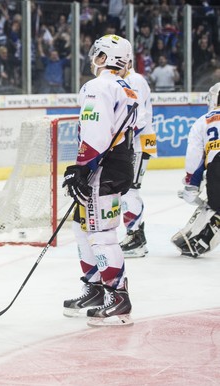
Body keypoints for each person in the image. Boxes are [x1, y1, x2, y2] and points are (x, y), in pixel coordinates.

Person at [61, 34, 138, 326]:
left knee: (100, 233)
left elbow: (95, 130)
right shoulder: (126, 88)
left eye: (97, 53)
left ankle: (117, 296)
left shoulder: (98, 85)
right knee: (83, 228)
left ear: (104, 57)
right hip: (116, 163)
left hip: (102, 167)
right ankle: (95, 288)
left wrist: (82, 166)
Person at [172, 82, 220, 258]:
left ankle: (202, 237)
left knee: (215, 205)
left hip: (217, 167)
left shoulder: (204, 121)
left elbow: (194, 157)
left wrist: (191, 184)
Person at [119, 60, 158, 258]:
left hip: (138, 144)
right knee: (128, 190)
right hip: (138, 144)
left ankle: (135, 238)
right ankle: (135, 236)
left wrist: (121, 141)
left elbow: (138, 117)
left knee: (129, 190)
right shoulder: (128, 80)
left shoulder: (133, 80)